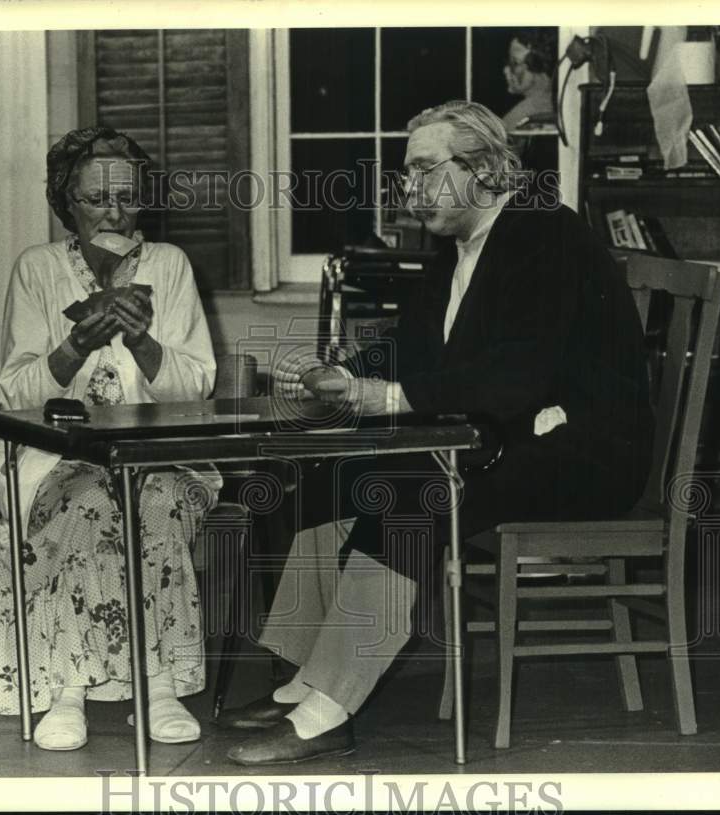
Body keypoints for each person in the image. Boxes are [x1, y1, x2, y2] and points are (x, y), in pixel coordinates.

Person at [218, 100, 653, 765]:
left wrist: (383, 393)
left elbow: (515, 377)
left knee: (408, 490)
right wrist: (337, 375)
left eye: (424, 168)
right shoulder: (455, 249)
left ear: (482, 168)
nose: (409, 187)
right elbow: (414, 348)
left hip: (582, 454)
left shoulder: (547, 236)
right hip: (503, 441)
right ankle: (305, 677)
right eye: (405, 172)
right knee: (331, 475)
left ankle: (327, 713)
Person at [0, 127, 220, 751]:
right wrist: (76, 346)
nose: (115, 212)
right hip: (53, 461)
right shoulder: (37, 269)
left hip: (163, 460)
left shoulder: (170, 266)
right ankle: (71, 689)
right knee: (90, 501)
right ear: (66, 203)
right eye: (97, 198)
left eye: (126, 197)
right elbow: (17, 391)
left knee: (148, 502)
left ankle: (156, 686)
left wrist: (145, 344)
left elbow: (198, 389)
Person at [501, 29, 557, 133]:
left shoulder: (519, 117)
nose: (506, 70)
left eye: (515, 63)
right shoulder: (556, 102)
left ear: (536, 64)